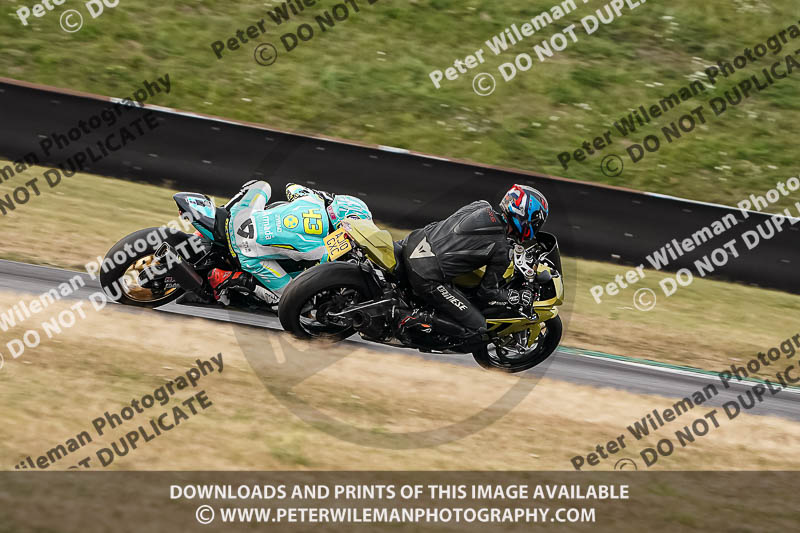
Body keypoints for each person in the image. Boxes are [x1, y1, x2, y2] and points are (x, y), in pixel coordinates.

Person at [399, 184, 549, 342]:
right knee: (477, 327)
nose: (536, 227)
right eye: (536, 222)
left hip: (412, 243)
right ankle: (411, 318)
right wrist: (515, 297)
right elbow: (487, 293)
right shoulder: (502, 249)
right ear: (526, 217)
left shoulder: (481, 206)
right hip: (426, 275)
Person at [212, 180, 372, 305]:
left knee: (262, 185)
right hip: (244, 250)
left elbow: (291, 187)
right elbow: (324, 268)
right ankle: (229, 278)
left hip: (240, 216)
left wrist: (320, 195)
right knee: (291, 299)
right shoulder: (318, 246)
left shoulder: (312, 199)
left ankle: (220, 212)